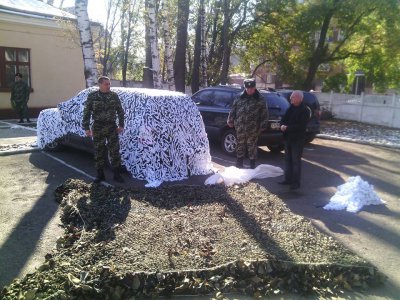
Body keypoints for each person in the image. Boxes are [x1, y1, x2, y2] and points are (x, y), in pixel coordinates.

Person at [82, 76, 125, 183]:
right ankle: (100, 175)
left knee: (114, 151)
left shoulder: (114, 96)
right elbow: (87, 112)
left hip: (111, 127)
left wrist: (121, 125)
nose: (108, 86)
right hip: (98, 127)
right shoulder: (92, 96)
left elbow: (120, 111)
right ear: (100, 85)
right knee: (99, 151)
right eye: (106, 84)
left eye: (109, 84)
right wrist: (86, 128)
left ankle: (117, 174)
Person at [227, 78, 269, 169]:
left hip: (253, 128)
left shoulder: (260, 98)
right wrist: (230, 120)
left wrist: (263, 125)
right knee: (240, 145)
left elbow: (264, 113)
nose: (250, 90)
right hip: (240, 126)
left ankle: (252, 166)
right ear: (245, 88)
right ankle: (239, 165)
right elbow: (233, 109)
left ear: (254, 88)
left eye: (252, 88)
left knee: (252, 146)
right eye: (248, 88)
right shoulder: (239, 97)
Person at [279, 90, 310, 190]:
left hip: (297, 140)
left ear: (299, 99)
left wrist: (287, 128)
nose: (291, 99)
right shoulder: (290, 108)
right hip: (288, 138)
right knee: (288, 160)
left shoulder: (305, 110)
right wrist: (282, 125)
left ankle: (295, 182)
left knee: (296, 161)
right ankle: (287, 179)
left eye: (293, 97)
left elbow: (301, 126)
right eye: (291, 97)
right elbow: (283, 119)